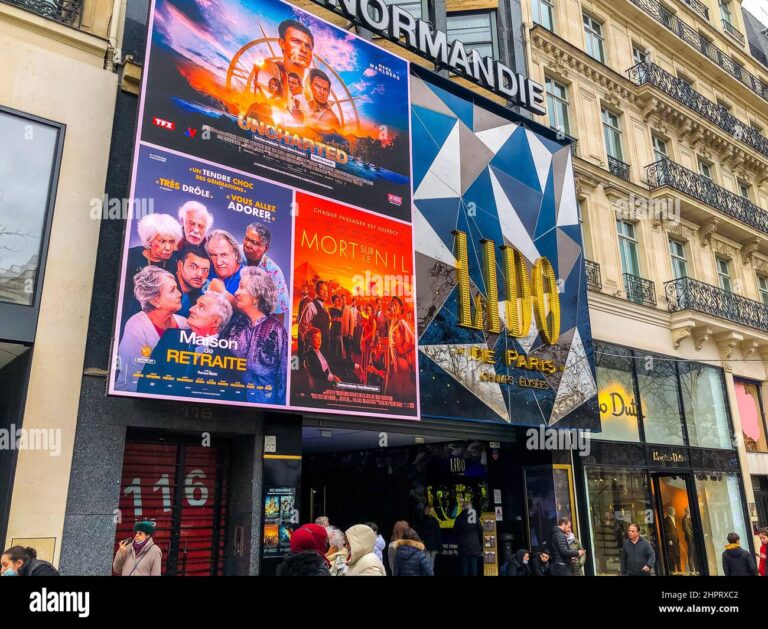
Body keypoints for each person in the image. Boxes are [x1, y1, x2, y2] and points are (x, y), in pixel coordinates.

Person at [137, 291, 235, 396]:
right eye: (195, 304)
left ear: (216, 321)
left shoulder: (229, 359)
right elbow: (146, 381)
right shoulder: (171, 337)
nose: (191, 309)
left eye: (201, 307)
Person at [116, 266, 187, 392]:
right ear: (155, 301)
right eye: (172, 290)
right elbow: (133, 379)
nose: (180, 294)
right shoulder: (136, 326)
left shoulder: (184, 324)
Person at [226, 266, 288, 404]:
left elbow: (284, 380)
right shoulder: (234, 325)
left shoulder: (277, 331)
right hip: (232, 406)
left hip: (264, 411)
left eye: (242, 287)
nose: (236, 292)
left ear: (256, 296)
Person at [123, 213, 182, 327]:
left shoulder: (175, 261)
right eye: (162, 241)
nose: (168, 248)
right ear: (149, 241)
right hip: (132, 318)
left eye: (171, 241)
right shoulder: (131, 257)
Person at [242, 223, 289, 325]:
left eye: (254, 242)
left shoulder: (274, 273)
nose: (247, 245)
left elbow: (279, 312)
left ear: (265, 248)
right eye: (246, 239)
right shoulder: (233, 254)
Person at [259, 19, 314, 106]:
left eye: (308, 46)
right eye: (296, 42)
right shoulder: (268, 72)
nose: (304, 50)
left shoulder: (312, 93)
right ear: (282, 43)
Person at [205, 229, 245, 301]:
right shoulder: (206, 269)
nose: (218, 262)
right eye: (213, 255)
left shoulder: (248, 279)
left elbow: (249, 311)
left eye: (223, 255)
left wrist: (223, 294)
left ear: (236, 254)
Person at [385, 319, 416, 401]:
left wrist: (403, 351)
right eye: (392, 335)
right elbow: (388, 372)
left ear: (402, 336)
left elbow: (414, 341)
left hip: (405, 381)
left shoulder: (401, 323)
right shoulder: (392, 347)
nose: (393, 336)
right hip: (397, 382)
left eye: (395, 334)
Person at [175, 245, 210, 317]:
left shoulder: (201, 294)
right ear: (180, 266)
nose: (200, 274)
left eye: (205, 270)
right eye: (193, 267)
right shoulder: (163, 287)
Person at [303, 328, 341, 393]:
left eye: (320, 338)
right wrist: (332, 377)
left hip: (328, 379)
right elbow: (317, 373)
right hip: (322, 385)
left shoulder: (319, 351)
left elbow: (334, 359)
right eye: (316, 338)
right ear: (310, 340)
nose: (319, 340)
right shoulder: (309, 355)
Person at [298, 280, 332, 355]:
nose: (326, 293)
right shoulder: (311, 306)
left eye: (327, 291)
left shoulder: (325, 308)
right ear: (317, 291)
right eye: (323, 290)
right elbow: (301, 327)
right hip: (315, 351)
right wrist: (311, 342)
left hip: (325, 348)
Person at [453, 498, 483, 577]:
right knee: (474, 567)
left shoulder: (459, 518)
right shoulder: (475, 517)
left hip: (463, 546)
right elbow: (481, 530)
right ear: (470, 508)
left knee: (464, 568)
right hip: (474, 546)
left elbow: (455, 531)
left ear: (462, 508)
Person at [419, 505, 442, 573]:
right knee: (431, 564)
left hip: (425, 545)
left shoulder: (422, 521)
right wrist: (440, 546)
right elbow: (438, 535)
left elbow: (420, 533)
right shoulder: (435, 521)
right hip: (434, 546)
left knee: (425, 564)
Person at [663, 505, 681, 574]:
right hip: (671, 541)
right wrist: (669, 540)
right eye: (673, 511)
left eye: (674, 510)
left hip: (676, 540)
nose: (674, 512)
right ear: (669, 511)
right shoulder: (666, 520)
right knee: (672, 555)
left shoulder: (674, 518)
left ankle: (679, 570)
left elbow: (675, 530)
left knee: (678, 555)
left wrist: (678, 540)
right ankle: (673, 570)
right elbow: (667, 531)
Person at [341, 294, 358, 361]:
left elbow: (352, 322)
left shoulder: (349, 309)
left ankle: (349, 365)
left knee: (348, 350)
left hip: (346, 334)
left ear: (346, 300)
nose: (343, 300)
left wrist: (350, 334)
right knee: (342, 351)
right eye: (342, 299)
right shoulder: (339, 308)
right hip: (340, 334)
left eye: (344, 299)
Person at [328, 295, 344, 360]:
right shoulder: (330, 309)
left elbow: (344, 319)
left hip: (339, 328)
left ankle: (339, 359)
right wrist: (334, 320)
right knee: (333, 343)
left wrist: (340, 320)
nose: (337, 302)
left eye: (338, 300)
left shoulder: (342, 309)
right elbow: (328, 319)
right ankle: (333, 359)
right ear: (333, 301)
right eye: (335, 300)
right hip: (333, 328)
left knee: (339, 344)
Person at [682, 506, 697, 574]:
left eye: (689, 509)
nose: (689, 510)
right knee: (690, 553)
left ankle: (696, 568)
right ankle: (692, 570)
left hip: (693, 538)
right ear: (686, 511)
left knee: (695, 552)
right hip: (689, 538)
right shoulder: (684, 519)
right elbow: (686, 529)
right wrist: (692, 534)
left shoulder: (691, 518)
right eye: (688, 510)